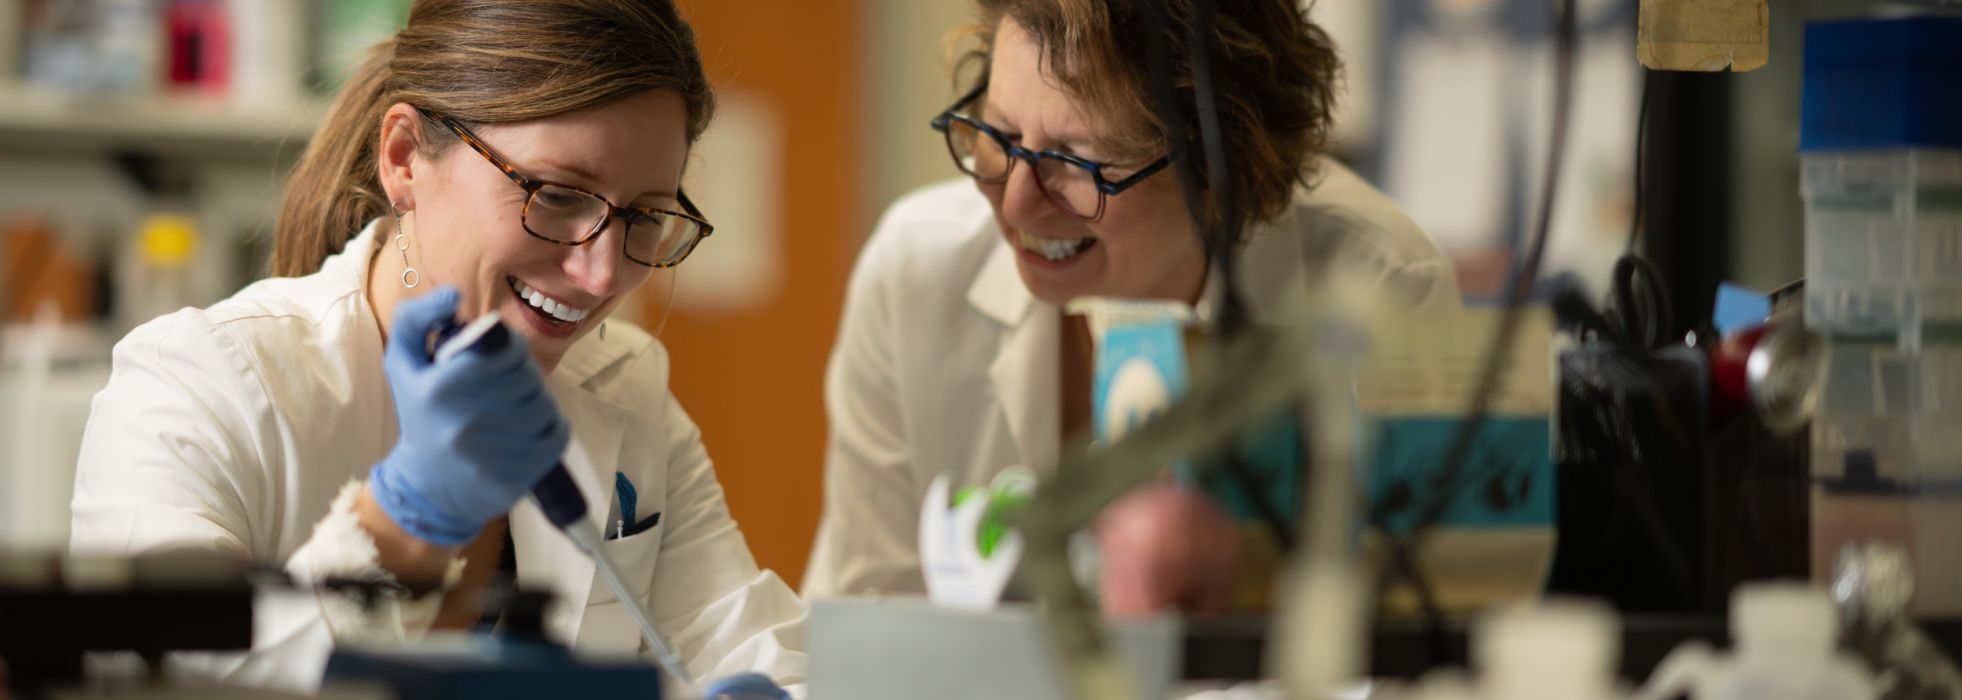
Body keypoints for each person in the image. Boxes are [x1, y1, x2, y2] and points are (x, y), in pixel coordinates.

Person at [69, 0, 804, 694]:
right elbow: (165, 675)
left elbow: (746, 646)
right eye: (555, 193)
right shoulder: (197, 381)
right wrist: (405, 521)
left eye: (645, 216)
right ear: (403, 159)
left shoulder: (627, 382)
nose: (603, 272)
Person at [803, 0, 1461, 609]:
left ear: (1227, 173)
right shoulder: (918, 269)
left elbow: (1415, 643)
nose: (1016, 204)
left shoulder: (1379, 287)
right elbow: (864, 625)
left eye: (1077, 161)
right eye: (1001, 135)